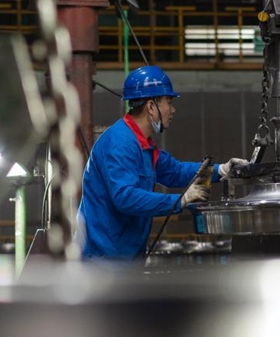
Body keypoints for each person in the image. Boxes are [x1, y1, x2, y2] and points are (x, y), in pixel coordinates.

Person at [77, 66, 248, 260]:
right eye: (169, 101)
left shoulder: (144, 146)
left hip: (123, 258)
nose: (173, 110)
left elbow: (175, 172)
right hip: (102, 260)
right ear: (151, 106)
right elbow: (125, 197)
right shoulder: (120, 142)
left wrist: (221, 170)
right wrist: (180, 200)